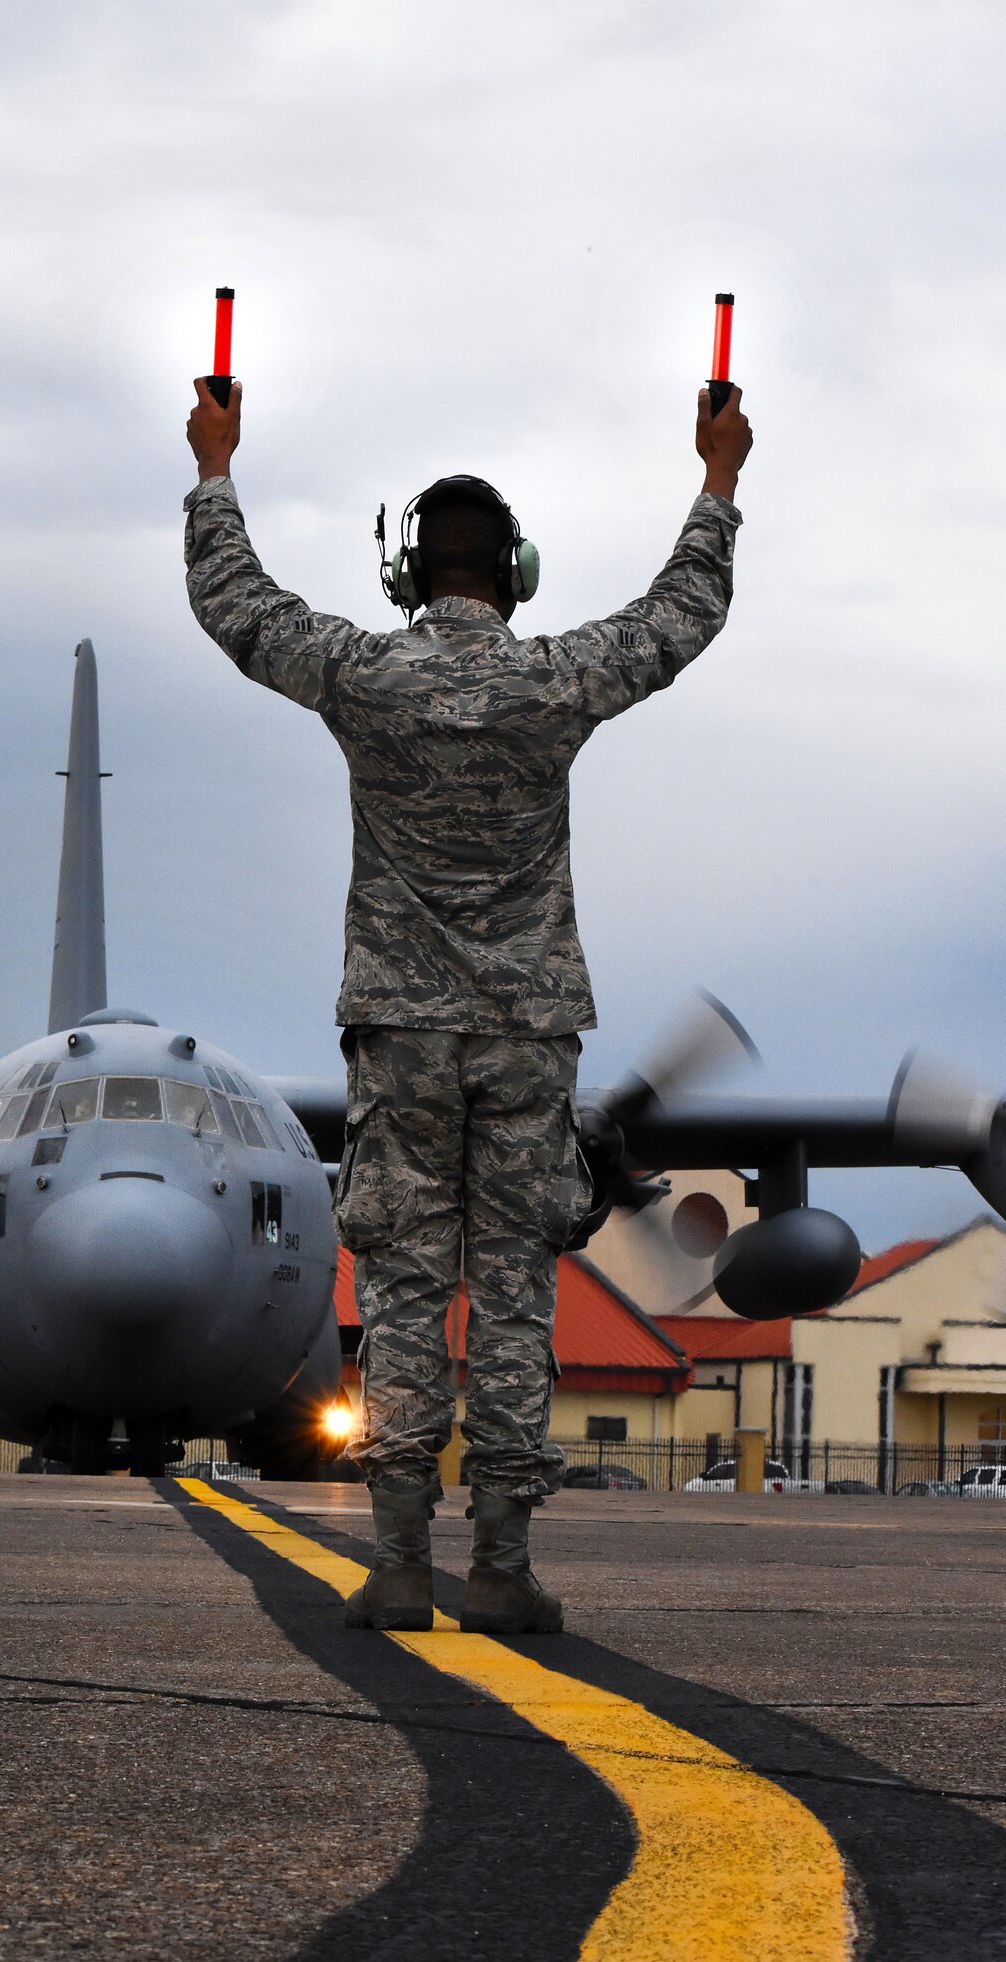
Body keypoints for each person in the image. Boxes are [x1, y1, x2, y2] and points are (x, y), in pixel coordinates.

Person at [183, 375, 752, 1634]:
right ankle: (500, 1564)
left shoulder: (363, 676)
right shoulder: (556, 682)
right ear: (518, 573)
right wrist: (716, 478)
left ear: (406, 576)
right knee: (511, 1293)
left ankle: (395, 1563)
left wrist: (216, 465)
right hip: (526, 1032)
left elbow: (237, 606)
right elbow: (679, 615)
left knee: (396, 1286)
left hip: (398, 1027)